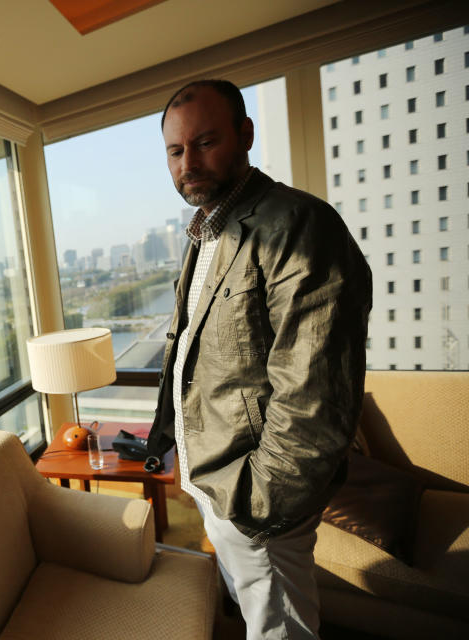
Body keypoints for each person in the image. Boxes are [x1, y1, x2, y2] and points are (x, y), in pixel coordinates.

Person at [143, 80, 371, 640]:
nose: (188, 163)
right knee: (259, 619)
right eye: (176, 151)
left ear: (245, 135)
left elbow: (315, 396)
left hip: (256, 497)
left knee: (280, 631)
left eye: (205, 142)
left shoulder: (297, 225)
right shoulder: (207, 232)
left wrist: (259, 503)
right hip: (218, 482)